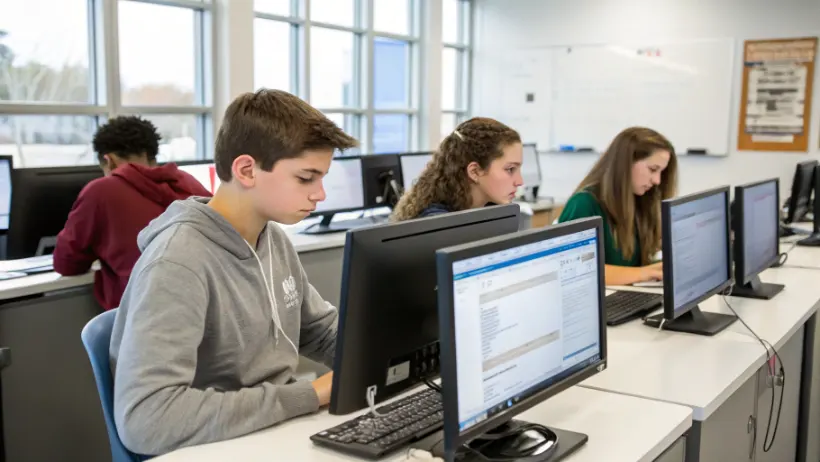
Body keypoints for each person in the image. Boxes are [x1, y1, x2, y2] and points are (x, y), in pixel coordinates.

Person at [109, 89, 359, 456]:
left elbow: (319, 331)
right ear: (246, 170)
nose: (320, 194)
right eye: (306, 178)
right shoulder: (177, 262)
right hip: (215, 447)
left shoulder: (270, 237)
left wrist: (385, 359)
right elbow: (147, 418)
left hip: (271, 433)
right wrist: (308, 395)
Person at [52, 116, 211, 310]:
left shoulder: (100, 191)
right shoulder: (190, 183)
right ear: (153, 155)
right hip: (202, 306)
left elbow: (66, 263)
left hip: (140, 314)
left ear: (108, 160)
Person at [558, 127, 677, 286]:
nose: (657, 181)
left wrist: (654, 269)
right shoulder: (584, 203)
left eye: (661, 172)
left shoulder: (639, 201)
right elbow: (575, 270)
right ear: (626, 164)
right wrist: (643, 273)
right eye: (653, 169)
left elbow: (634, 265)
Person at [391, 117, 524, 221]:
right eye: (510, 169)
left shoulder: (487, 211)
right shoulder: (439, 224)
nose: (519, 181)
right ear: (474, 171)